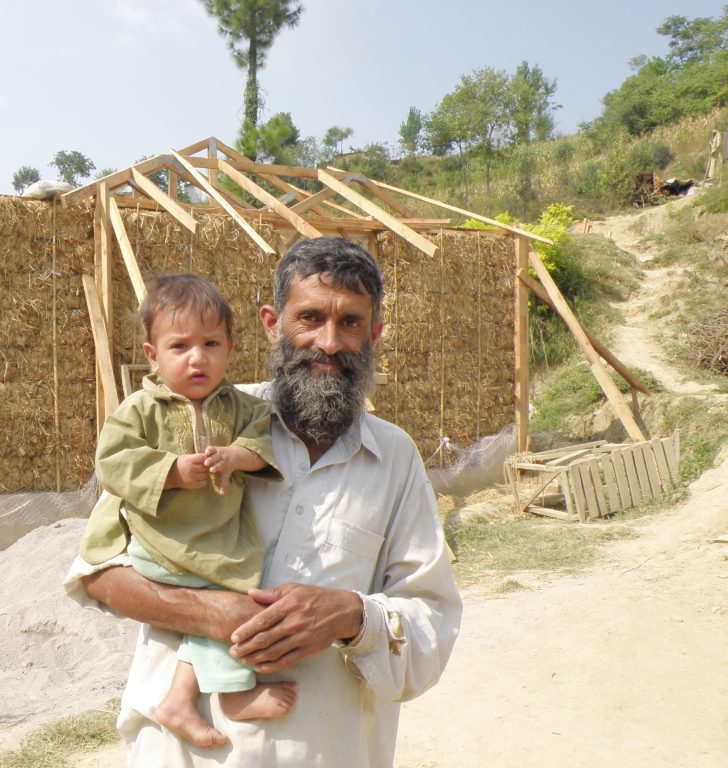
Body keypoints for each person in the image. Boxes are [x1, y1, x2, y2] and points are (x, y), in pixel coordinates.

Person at [65, 237, 462, 767]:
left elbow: (432, 619)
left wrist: (349, 616)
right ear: (273, 324)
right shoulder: (195, 417)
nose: (329, 341)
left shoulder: (393, 458)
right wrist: (210, 612)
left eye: (351, 323)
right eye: (310, 318)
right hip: (181, 754)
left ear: (376, 334)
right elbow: (97, 574)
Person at [79, 273, 294, 749]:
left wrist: (238, 456)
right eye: (180, 347)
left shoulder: (241, 407)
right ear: (153, 356)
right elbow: (112, 462)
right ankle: (232, 694)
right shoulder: (139, 410)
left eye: (211, 343)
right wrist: (170, 471)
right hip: (164, 542)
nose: (197, 358)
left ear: (230, 348)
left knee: (221, 597)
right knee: (224, 598)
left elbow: (261, 439)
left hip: (212, 539)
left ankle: (179, 697)